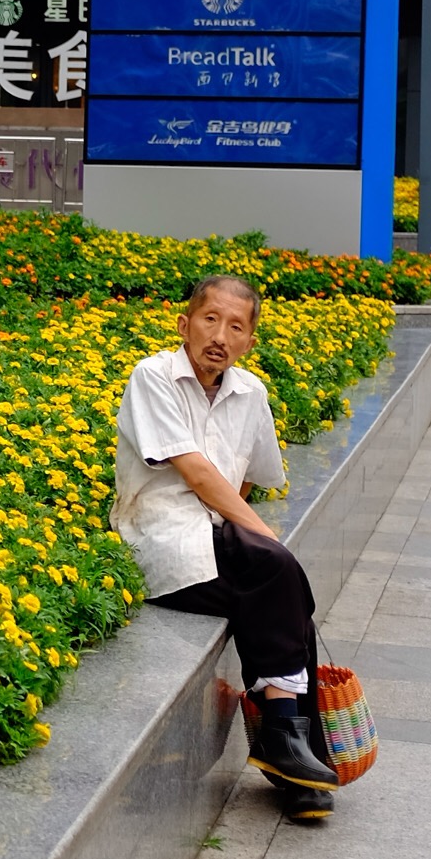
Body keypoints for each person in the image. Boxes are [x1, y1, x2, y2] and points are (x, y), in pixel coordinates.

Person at [113, 275, 336, 795]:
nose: (219, 336)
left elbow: (250, 475)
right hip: (161, 539)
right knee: (279, 581)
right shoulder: (153, 377)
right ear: (184, 324)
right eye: (210, 319)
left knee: (279, 592)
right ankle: (291, 754)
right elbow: (197, 474)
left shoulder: (250, 392)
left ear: (249, 341)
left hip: (217, 539)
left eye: (235, 327)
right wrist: (266, 542)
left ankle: (289, 751)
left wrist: (253, 541)